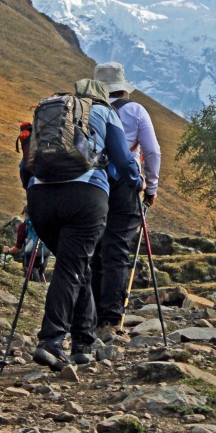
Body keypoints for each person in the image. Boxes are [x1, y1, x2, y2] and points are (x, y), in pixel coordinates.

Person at [25, 78, 143, 370]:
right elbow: (124, 161)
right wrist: (138, 183)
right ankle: (51, 340)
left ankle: (83, 344)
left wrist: (34, 197)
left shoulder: (56, 113)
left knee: (80, 268)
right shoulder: (105, 113)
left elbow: (24, 165)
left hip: (40, 197)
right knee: (71, 267)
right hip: (85, 197)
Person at [91, 61, 161, 340]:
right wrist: (151, 188)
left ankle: (90, 317)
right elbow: (152, 152)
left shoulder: (88, 110)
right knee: (117, 250)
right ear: (123, 87)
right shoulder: (135, 110)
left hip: (92, 186)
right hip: (124, 186)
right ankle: (111, 318)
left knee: (94, 250)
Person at [3, 206, 48, 282]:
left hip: (30, 256)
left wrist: (8, 251)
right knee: (40, 275)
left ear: (25, 213)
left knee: (31, 280)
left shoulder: (23, 227)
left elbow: (17, 248)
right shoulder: (44, 223)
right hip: (45, 254)